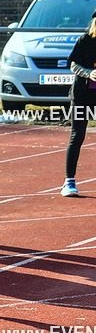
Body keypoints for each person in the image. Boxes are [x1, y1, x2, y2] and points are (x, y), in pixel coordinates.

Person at [61, 12, 96, 197]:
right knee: (78, 135)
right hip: (82, 95)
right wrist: (88, 73)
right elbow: (73, 64)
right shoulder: (85, 40)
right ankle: (69, 181)